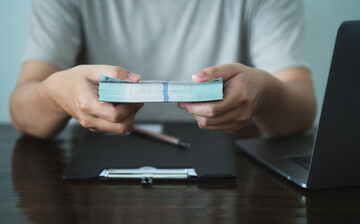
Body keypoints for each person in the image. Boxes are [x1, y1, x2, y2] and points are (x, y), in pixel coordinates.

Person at [10, 0, 316, 139]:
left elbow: (303, 108)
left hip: (231, 174)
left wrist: (263, 89)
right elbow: (22, 112)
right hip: (98, 166)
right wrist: (56, 91)